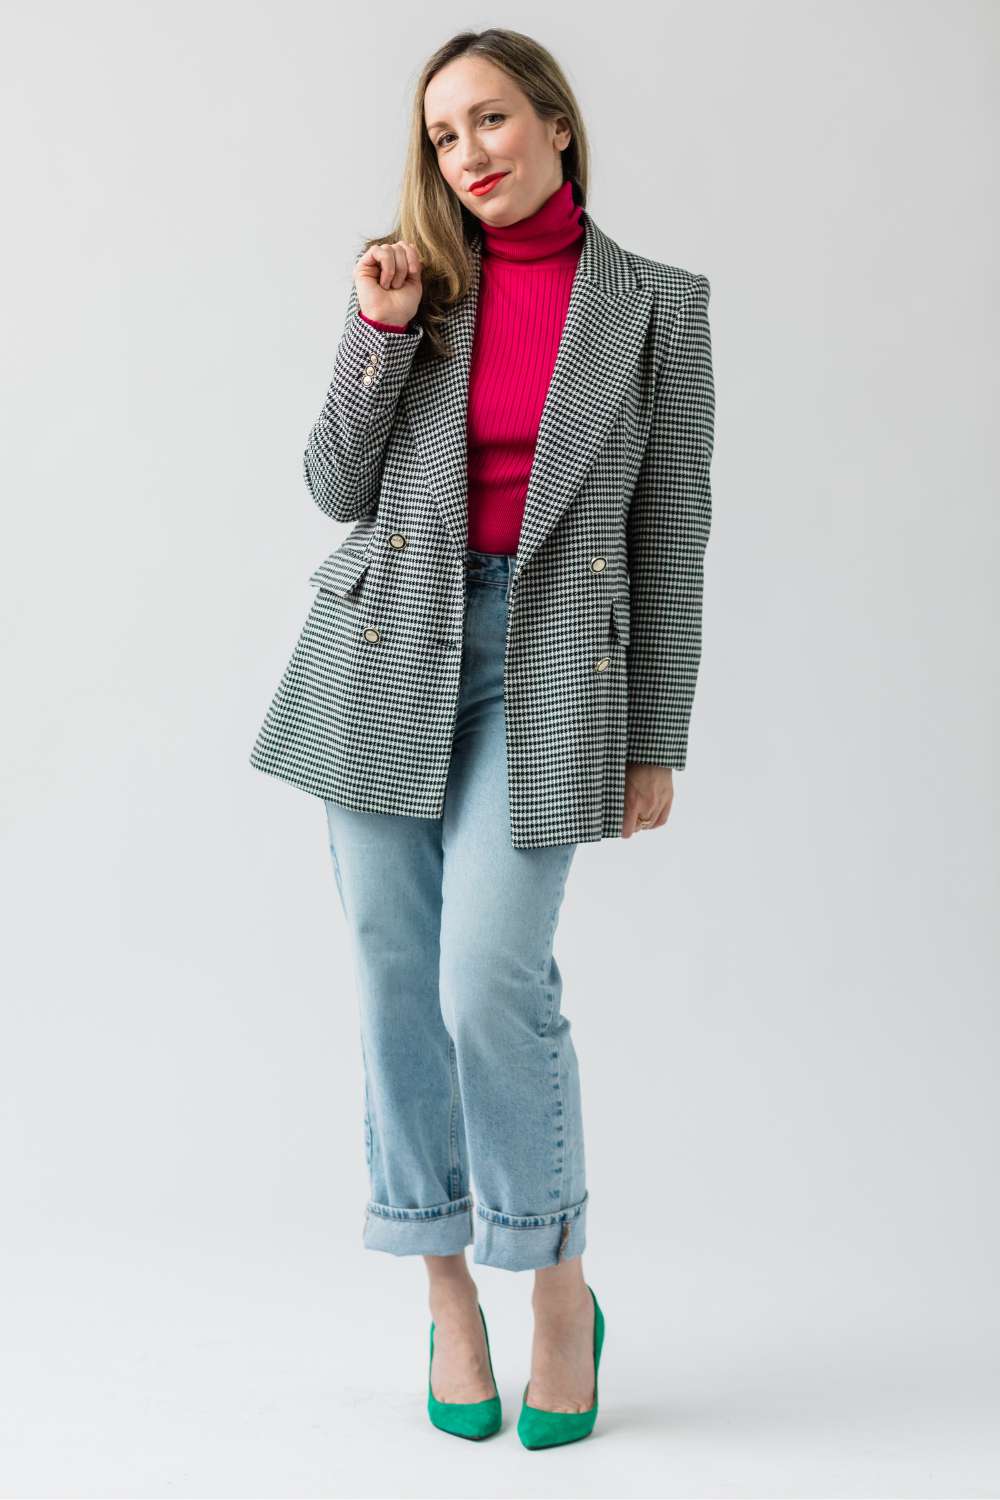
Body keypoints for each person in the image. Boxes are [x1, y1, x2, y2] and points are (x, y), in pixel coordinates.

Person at [249, 26, 715, 1449]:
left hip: (553, 671)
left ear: (557, 125)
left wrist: (659, 737)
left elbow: (673, 532)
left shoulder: (658, 308)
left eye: (493, 120)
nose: (472, 154)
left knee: (485, 979)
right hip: (388, 651)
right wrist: (374, 332)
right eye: (445, 137)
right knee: (396, 975)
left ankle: (556, 1282)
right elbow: (334, 484)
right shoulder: (419, 292)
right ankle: (446, 1288)